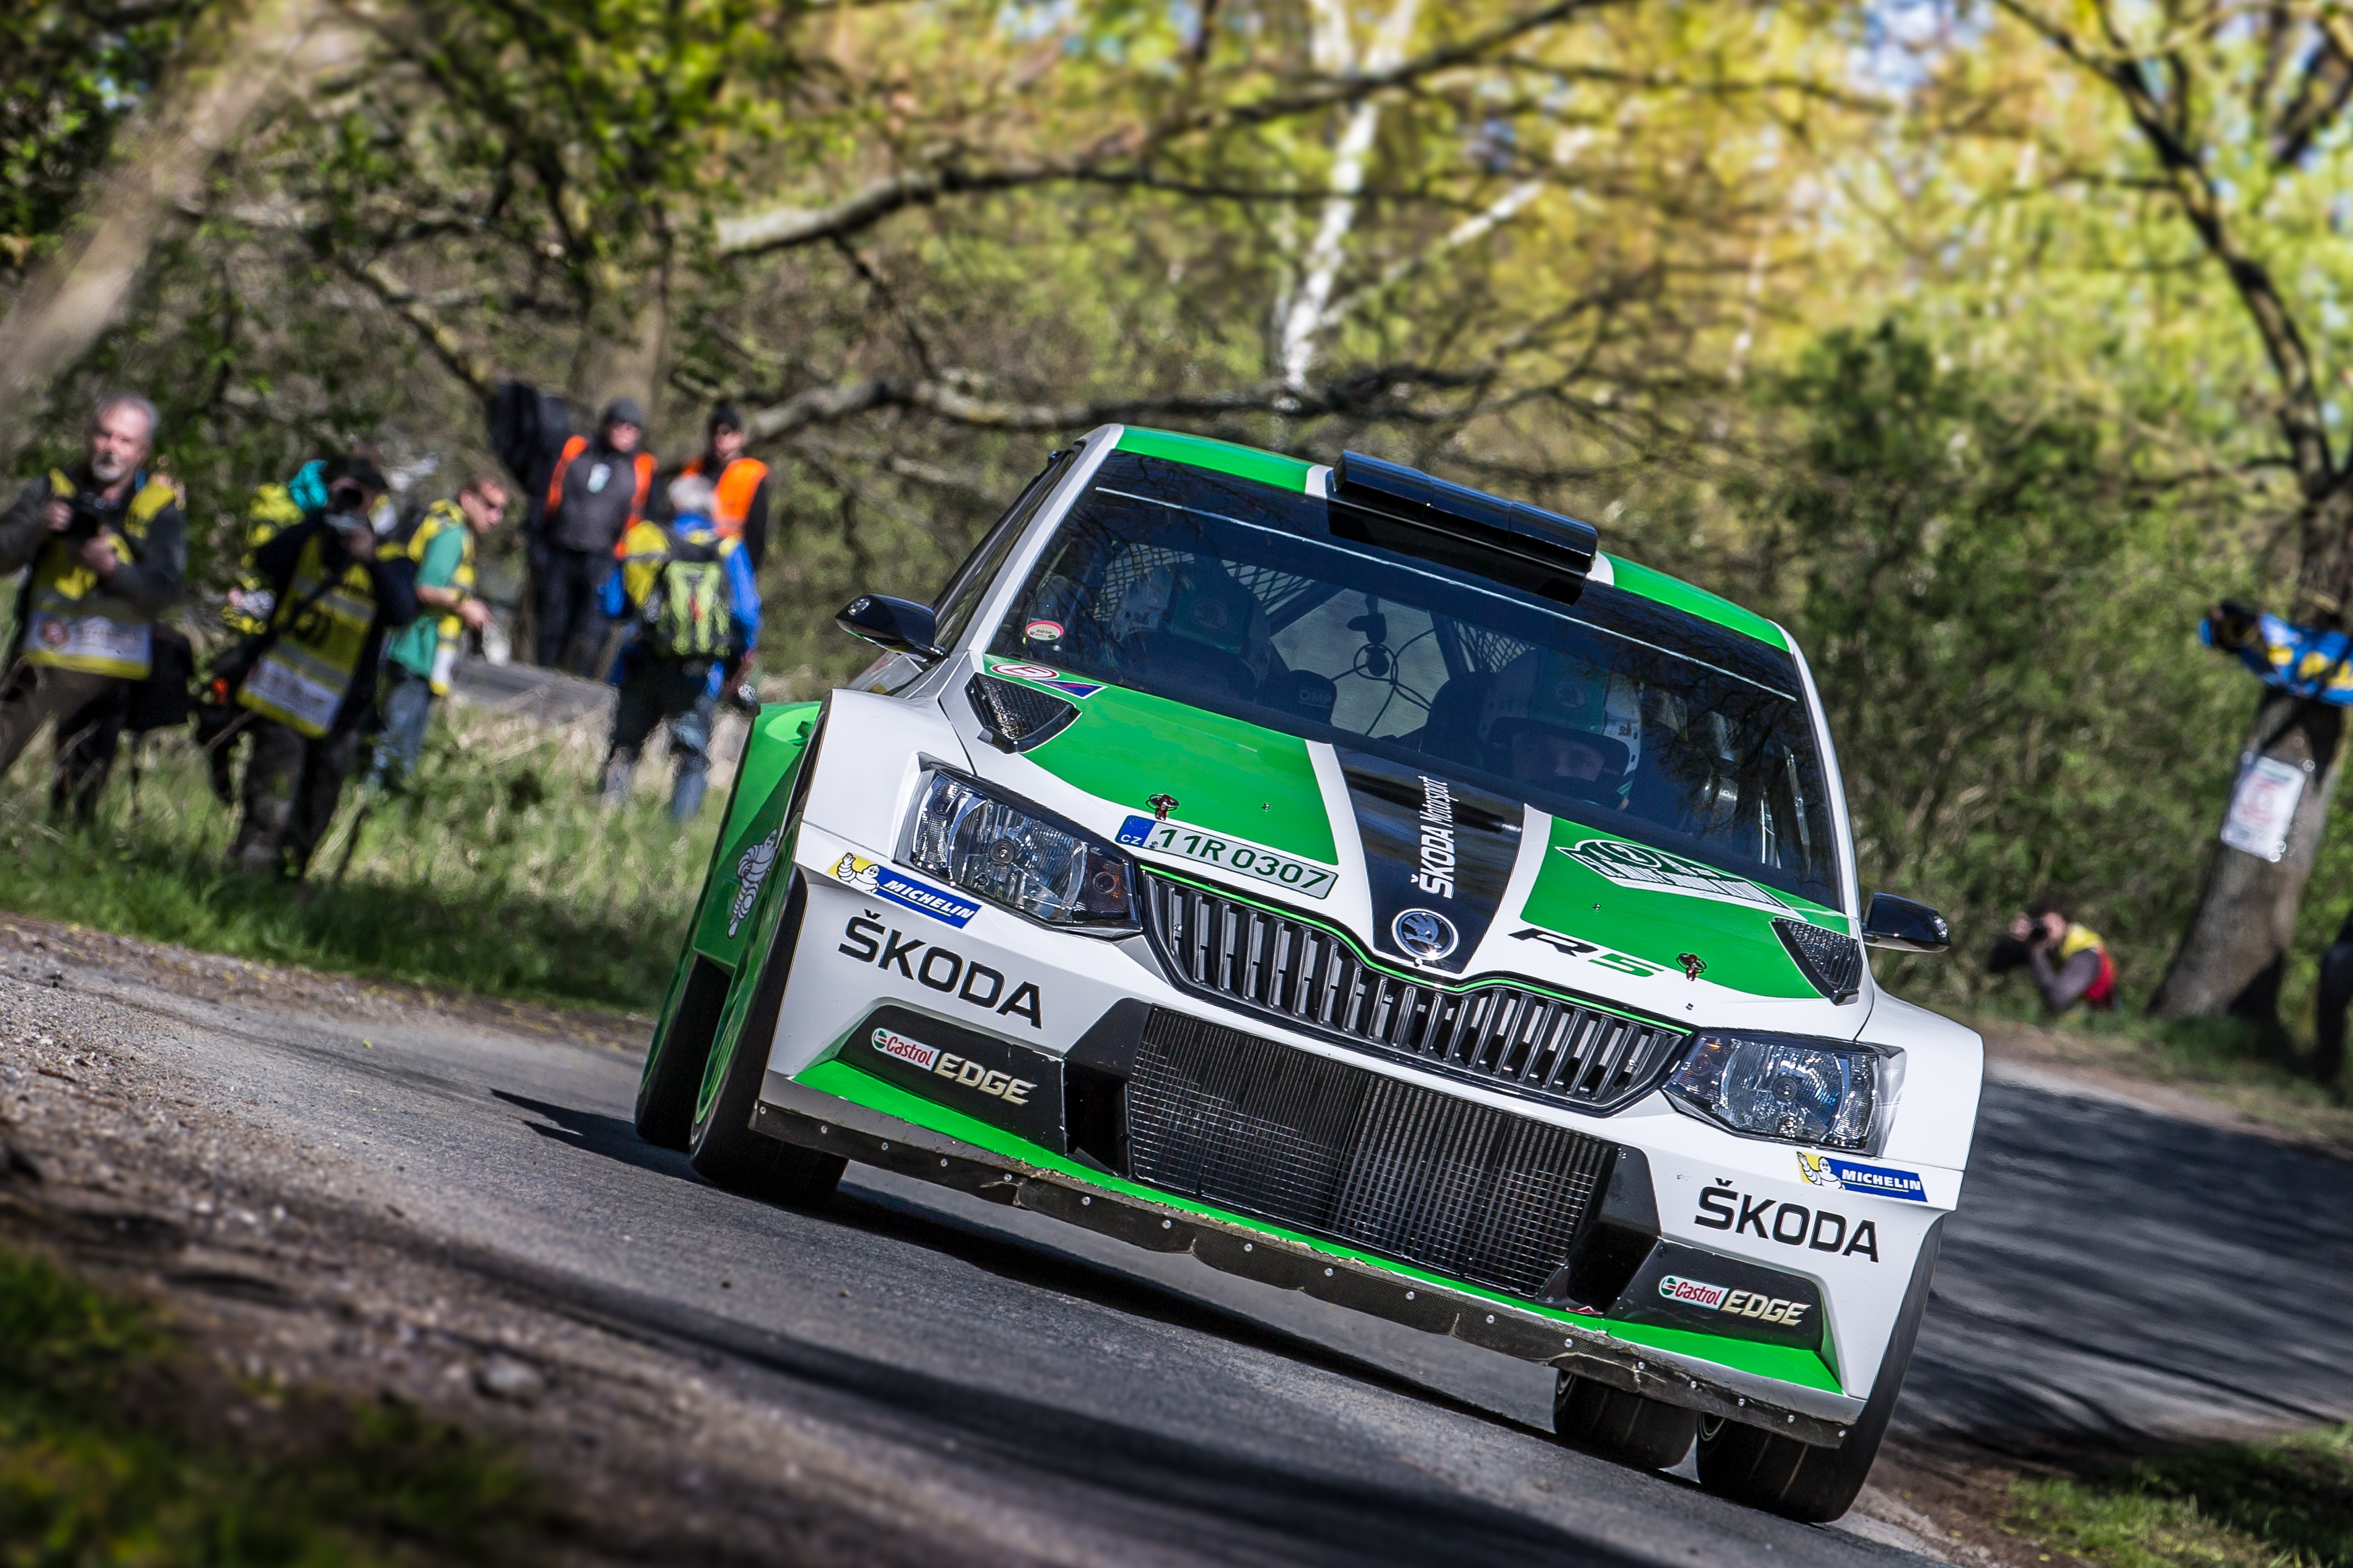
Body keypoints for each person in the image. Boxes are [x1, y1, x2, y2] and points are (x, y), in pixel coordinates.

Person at [225, 456, 417, 878]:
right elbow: (266, 561)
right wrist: (321, 518)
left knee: (317, 801)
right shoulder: (309, 536)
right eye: (346, 488)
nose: (353, 499)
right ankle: (248, 874)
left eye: (362, 493)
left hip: (342, 707)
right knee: (269, 796)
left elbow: (402, 612)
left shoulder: (391, 556)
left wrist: (369, 559)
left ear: (376, 499)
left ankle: (290, 876)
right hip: (282, 693)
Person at [0, 395, 186, 786]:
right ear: (88, 436)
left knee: (78, 793)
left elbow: (165, 593)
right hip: (38, 656)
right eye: (104, 434)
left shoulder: (160, 510)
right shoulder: (53, 488)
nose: (111, 448)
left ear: (143, 451)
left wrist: (113, 570)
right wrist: (38, 528)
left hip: (106, 673)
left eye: (125, 440)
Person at [598, 474, 759, 821]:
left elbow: (612, 606)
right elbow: (747, 615)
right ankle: (678, 836)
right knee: (692, 756)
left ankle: (606, 820)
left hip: (641, 661)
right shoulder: (728, 547)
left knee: (624, 746)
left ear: (673, 505)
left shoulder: (643, 538)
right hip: (699, 674)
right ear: (711, 508)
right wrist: (740, 657)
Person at [366, 474, 506, 790]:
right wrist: (466, 607)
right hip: (416, 651)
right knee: (394, 747)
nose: (496, 517)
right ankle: (371, 801)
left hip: (423, 654)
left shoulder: (454, 529)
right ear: (467, 498)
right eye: (490, 506)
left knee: (399, 746)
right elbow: (426, 588)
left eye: (501, 511)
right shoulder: (453, 534)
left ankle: (380, 803)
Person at [534, 397, 653, 675]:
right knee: (552, 620)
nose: (625, 431)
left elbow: (648, 520)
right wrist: (538, 543)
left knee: (592, 629)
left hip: (607, 560)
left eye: (633, 427)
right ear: (606, 424)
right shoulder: (576, 449)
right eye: (620, 424)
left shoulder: (643, 466)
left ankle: (580, 685)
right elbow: (546, 496)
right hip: (561, 548)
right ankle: (540, 676)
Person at [676, 403, 774, 570]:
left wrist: (749, 570)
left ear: (739, 437)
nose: (719, 438)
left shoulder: (752, 474)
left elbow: (757, 532)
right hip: (692, 559)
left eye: (726, 432)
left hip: (733, 561)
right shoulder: (693, 470)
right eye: (714, 432)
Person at [1988, 897, 2117, 1014]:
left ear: (2067, 924)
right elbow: (1994, 967)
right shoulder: (2041, 943)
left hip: (2100, 1007)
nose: (2047, 932)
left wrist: (2035, 952)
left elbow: (2057, 999)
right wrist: (2012, 940)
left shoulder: (2085, 952)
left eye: (2054, 924)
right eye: (2040, 925)